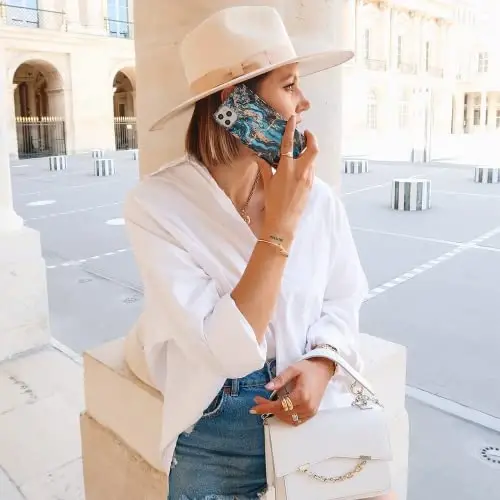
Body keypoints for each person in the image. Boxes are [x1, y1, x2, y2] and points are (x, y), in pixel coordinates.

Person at [124, 6, 396, 500]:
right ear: (235, 103)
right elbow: (226, 351)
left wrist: (324, 362)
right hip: (216, 430)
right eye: (289, 85)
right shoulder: (158, 206)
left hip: (314, 412)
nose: (304, 102)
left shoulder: (317, 197)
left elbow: (344, 294)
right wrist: (279, 230)